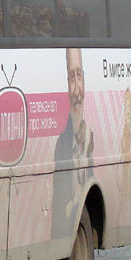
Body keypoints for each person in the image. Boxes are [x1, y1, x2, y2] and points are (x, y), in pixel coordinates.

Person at [52, 47, 94, 237]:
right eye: (71, 78)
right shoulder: (62, 145)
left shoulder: (91, 139)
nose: (77, 90)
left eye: (79, 76)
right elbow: (58, 215)